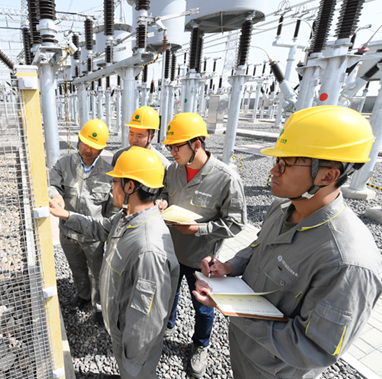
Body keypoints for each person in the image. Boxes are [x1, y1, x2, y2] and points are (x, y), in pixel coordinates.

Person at [193, 106, 382, 379]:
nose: (273, 170)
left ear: (327, 176)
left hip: (274, 371)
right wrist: (229, 266)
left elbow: (313, 349)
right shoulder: (283, 208)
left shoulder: (347, 263)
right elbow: (259, 247)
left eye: (284, 163)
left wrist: (230, 306)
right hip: (244, 350)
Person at [49, 147, 180, 379]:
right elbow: (99, 228)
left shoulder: (148, 249)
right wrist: (67, 215)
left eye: (116, 182)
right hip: (120, 331)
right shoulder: (126, 217)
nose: (112, 187)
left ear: (130, 187)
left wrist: (131, 366)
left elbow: (145, 322)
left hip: (135, 352)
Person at [159, 112, 247, 378]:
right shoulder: (172, 170)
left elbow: (237, 224)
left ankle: (201, 345)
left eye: (177, 146)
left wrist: (200, 229)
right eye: (169, 147)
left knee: (203, 307)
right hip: (170, 252)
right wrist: (162, 201)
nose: (172, 152)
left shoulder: (226, 178)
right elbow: (164, 192)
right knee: (168, 295)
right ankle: (167, 327)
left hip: (201, 259)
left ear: (197, 144)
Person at [48, 119, 117, 323]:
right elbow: (53, 184)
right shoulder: (64, 164)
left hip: (92, 234)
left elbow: (112, 208)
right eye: (85, 143)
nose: (88, 149)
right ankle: (83, 296)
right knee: (76, 267)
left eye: (94, 147)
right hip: (68, 231)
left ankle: (98, 306)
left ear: (102, 148)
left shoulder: (109, 173)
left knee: (97, 272)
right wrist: (56, 195)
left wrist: (106, 232)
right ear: (78, 140)